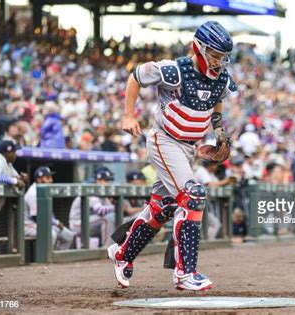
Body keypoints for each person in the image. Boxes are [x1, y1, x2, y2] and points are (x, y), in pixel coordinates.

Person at [108, 21, 236, 291]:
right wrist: (128, 114)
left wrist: (219, 132)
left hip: (189, 147)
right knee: (193, 195)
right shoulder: (173, 69)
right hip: (164, 139)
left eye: (223, 56)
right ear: (198, 48)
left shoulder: (221, 78)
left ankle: (122, 255)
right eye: (214, 54)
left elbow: (217, 99)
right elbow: (135, 77)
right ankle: (185, 273)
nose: (219, 61)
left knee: (163, 207)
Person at [24, 167, 75, 250]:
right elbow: (38, 218)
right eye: (47, 178)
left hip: (41, 223)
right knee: (51, 234)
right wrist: (56, 223)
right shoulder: (33, 194)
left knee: (68, 236)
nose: (51, 180)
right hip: (29, 225)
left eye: (51, 177)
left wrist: (54, 223)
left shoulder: (45, 191)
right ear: (39, 180)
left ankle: (58, 258)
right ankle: (45, 260)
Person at [69, 167, 116, 247]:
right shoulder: (90, 189)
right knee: (108, 218)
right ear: (98, 181)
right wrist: (115, 207)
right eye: (106, 181)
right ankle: (107, 247)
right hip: (76, 223)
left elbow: (110, 209)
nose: (108, 183)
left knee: (113, 217)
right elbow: (100, 210)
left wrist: (113, 205)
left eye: (109, 181)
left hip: (90, 221)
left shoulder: (103, 193)